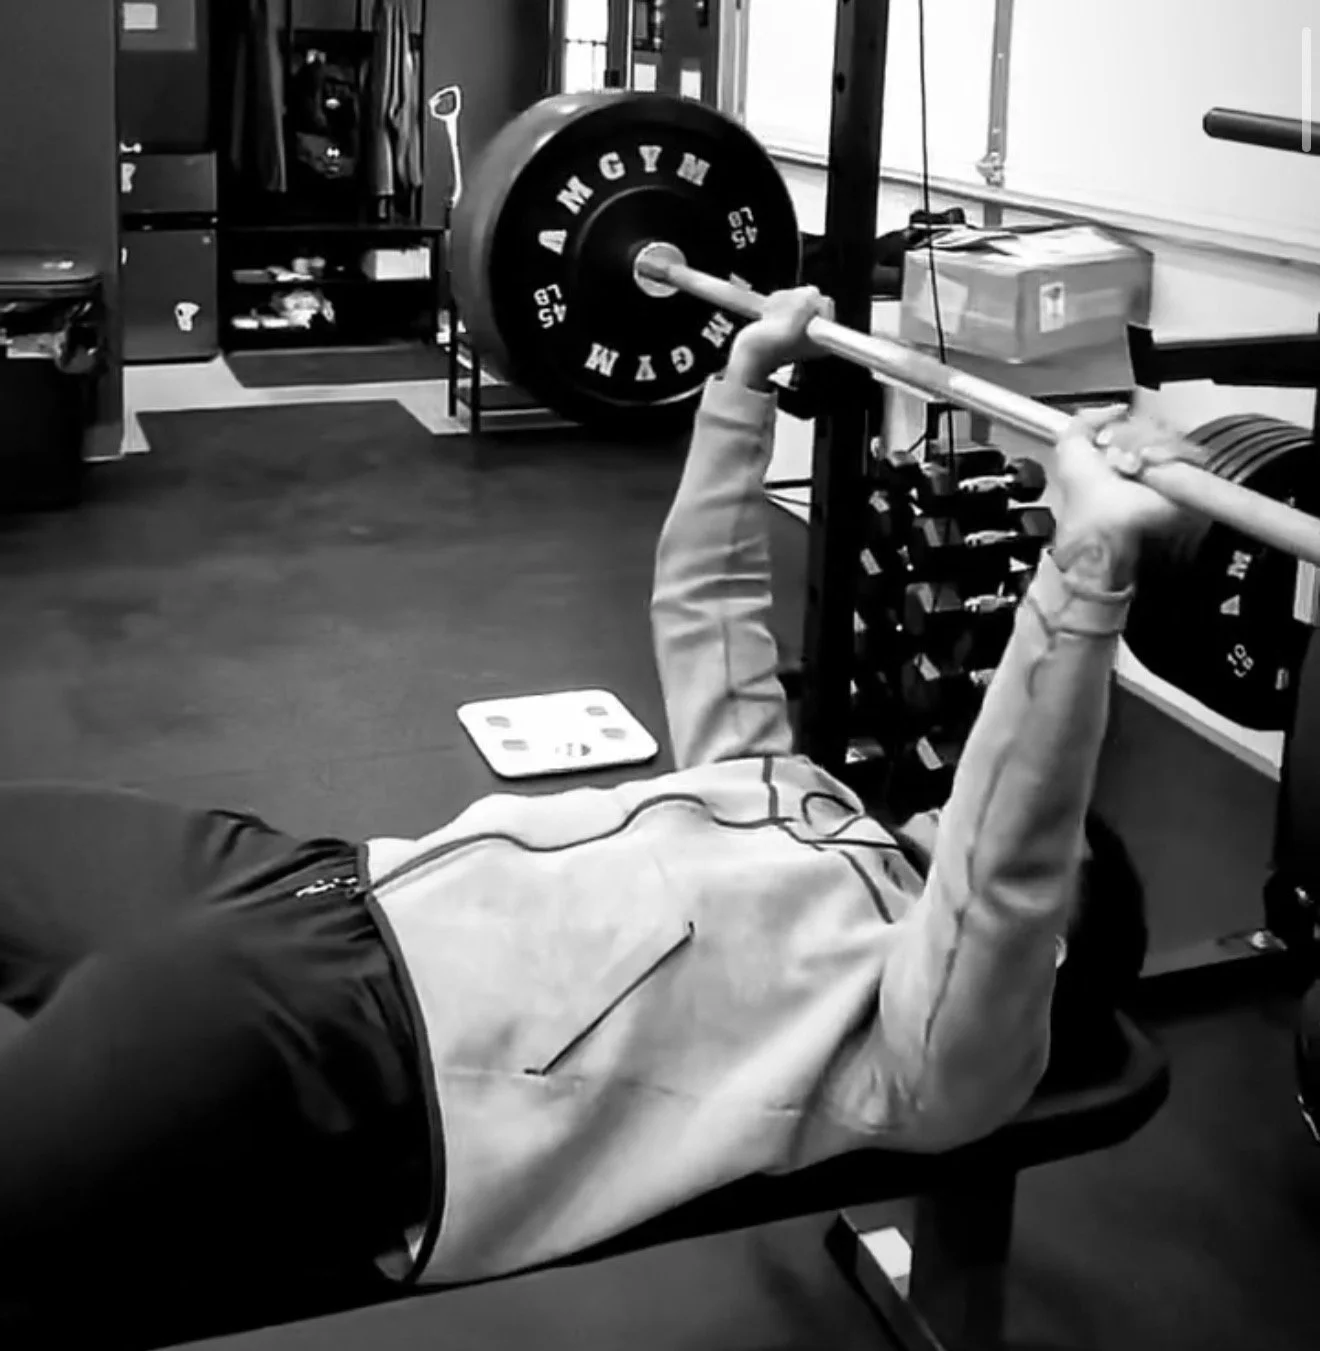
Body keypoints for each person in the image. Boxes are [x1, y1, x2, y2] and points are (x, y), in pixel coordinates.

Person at [0, 288, 1175, 1343]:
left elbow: (998, 873)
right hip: (311, 882)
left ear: (1046, 962)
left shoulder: (919, 1056)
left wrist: (1086, 562)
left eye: (1026, 856)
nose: (952, 810)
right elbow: (708, 609)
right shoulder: (807, 810)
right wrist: (743, 384)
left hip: (334, 1056)